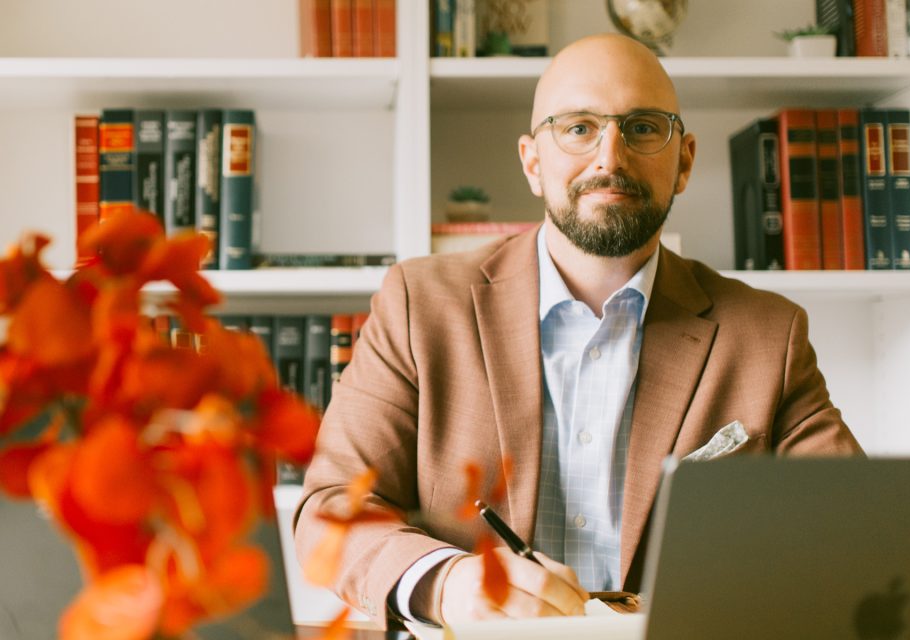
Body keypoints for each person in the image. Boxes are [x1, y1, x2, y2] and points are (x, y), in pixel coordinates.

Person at [294, 33, 863, 628]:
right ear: (532, 161)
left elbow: (855, 529)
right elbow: (332, 511)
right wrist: (448, 583)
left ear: (685, 161)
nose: (609, 158)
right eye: (577, 127)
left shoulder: (770, 335)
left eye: (643, 127)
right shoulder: (420, 305)